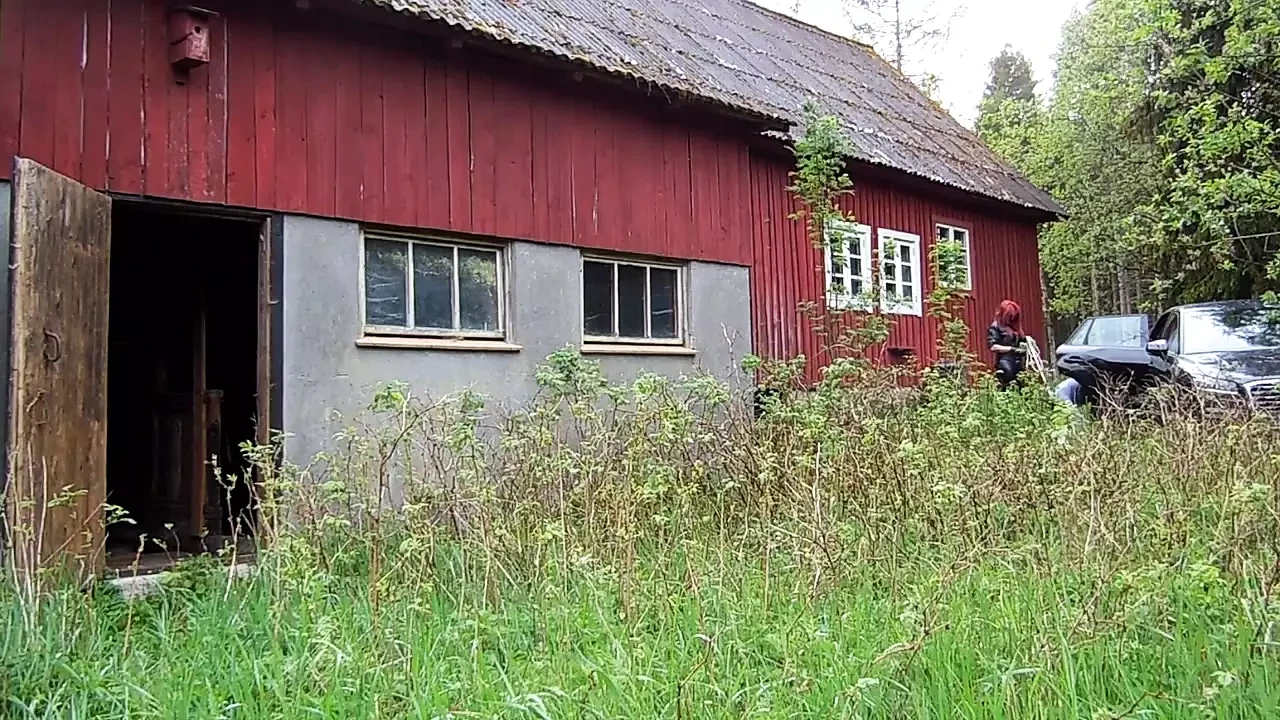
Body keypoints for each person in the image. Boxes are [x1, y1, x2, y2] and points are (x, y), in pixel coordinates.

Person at [987, 300, 1027, 389]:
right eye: (1010, 316)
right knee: (1007, 385)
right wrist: (1012, 349)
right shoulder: (996, 327)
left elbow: (1021, 340)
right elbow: (993, 346)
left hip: (1018, 362)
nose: (1012, 319)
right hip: (1005, 362)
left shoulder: (1014, 326)